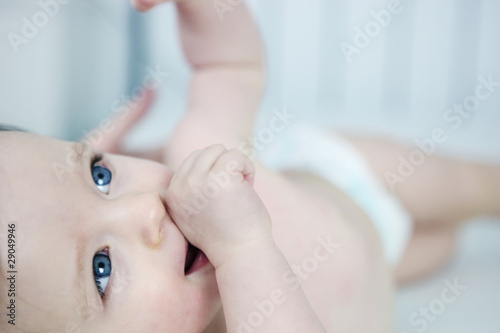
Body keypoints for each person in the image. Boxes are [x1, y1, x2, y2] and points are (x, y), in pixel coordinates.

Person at [1, 1, 499, 332]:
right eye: (101, 269)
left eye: (100, 175)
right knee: (446, 246)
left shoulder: (196, 164)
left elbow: (228, 66)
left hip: (349, 180)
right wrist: (243, 250)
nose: (144, 211)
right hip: (381, 271)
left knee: (470, 186)